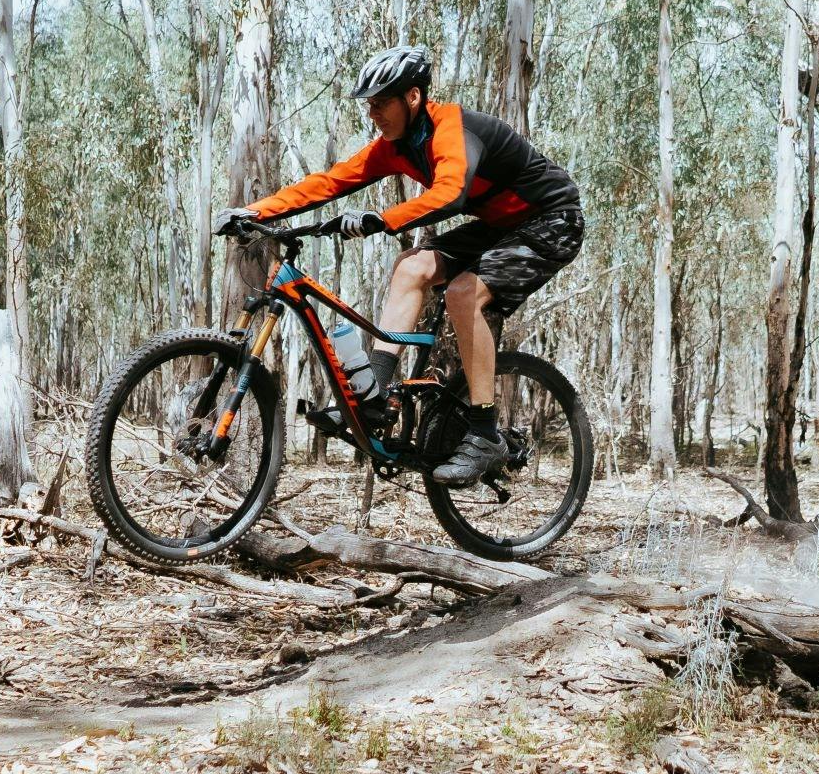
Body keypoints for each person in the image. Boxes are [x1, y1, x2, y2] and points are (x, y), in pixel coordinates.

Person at [215, 46, 584, 486]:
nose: (373, 114)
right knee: (411, 268)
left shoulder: (453, 129)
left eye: (380, 103)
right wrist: (255, 212)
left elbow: (451, 194)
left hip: (552, 219)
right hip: (499, 225)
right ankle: (374, 396)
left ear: (412, 97)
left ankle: (485, 433)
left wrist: (382, 219)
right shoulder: (396, 147)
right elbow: (330, 182)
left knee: (463, 292)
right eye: (368, 105)